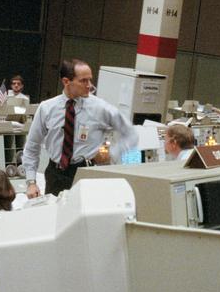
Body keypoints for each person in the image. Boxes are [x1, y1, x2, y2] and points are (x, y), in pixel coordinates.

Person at [21, 59, 137, 198]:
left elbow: (131, 134)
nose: (89, 85)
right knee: (56, 217)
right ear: (66, 81)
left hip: (87, 174)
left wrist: (110, 153)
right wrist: (31, 182)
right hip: (56, 175)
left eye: (90, 80)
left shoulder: (100, 108)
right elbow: (32, 145)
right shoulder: (47, 108)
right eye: (83, 81)